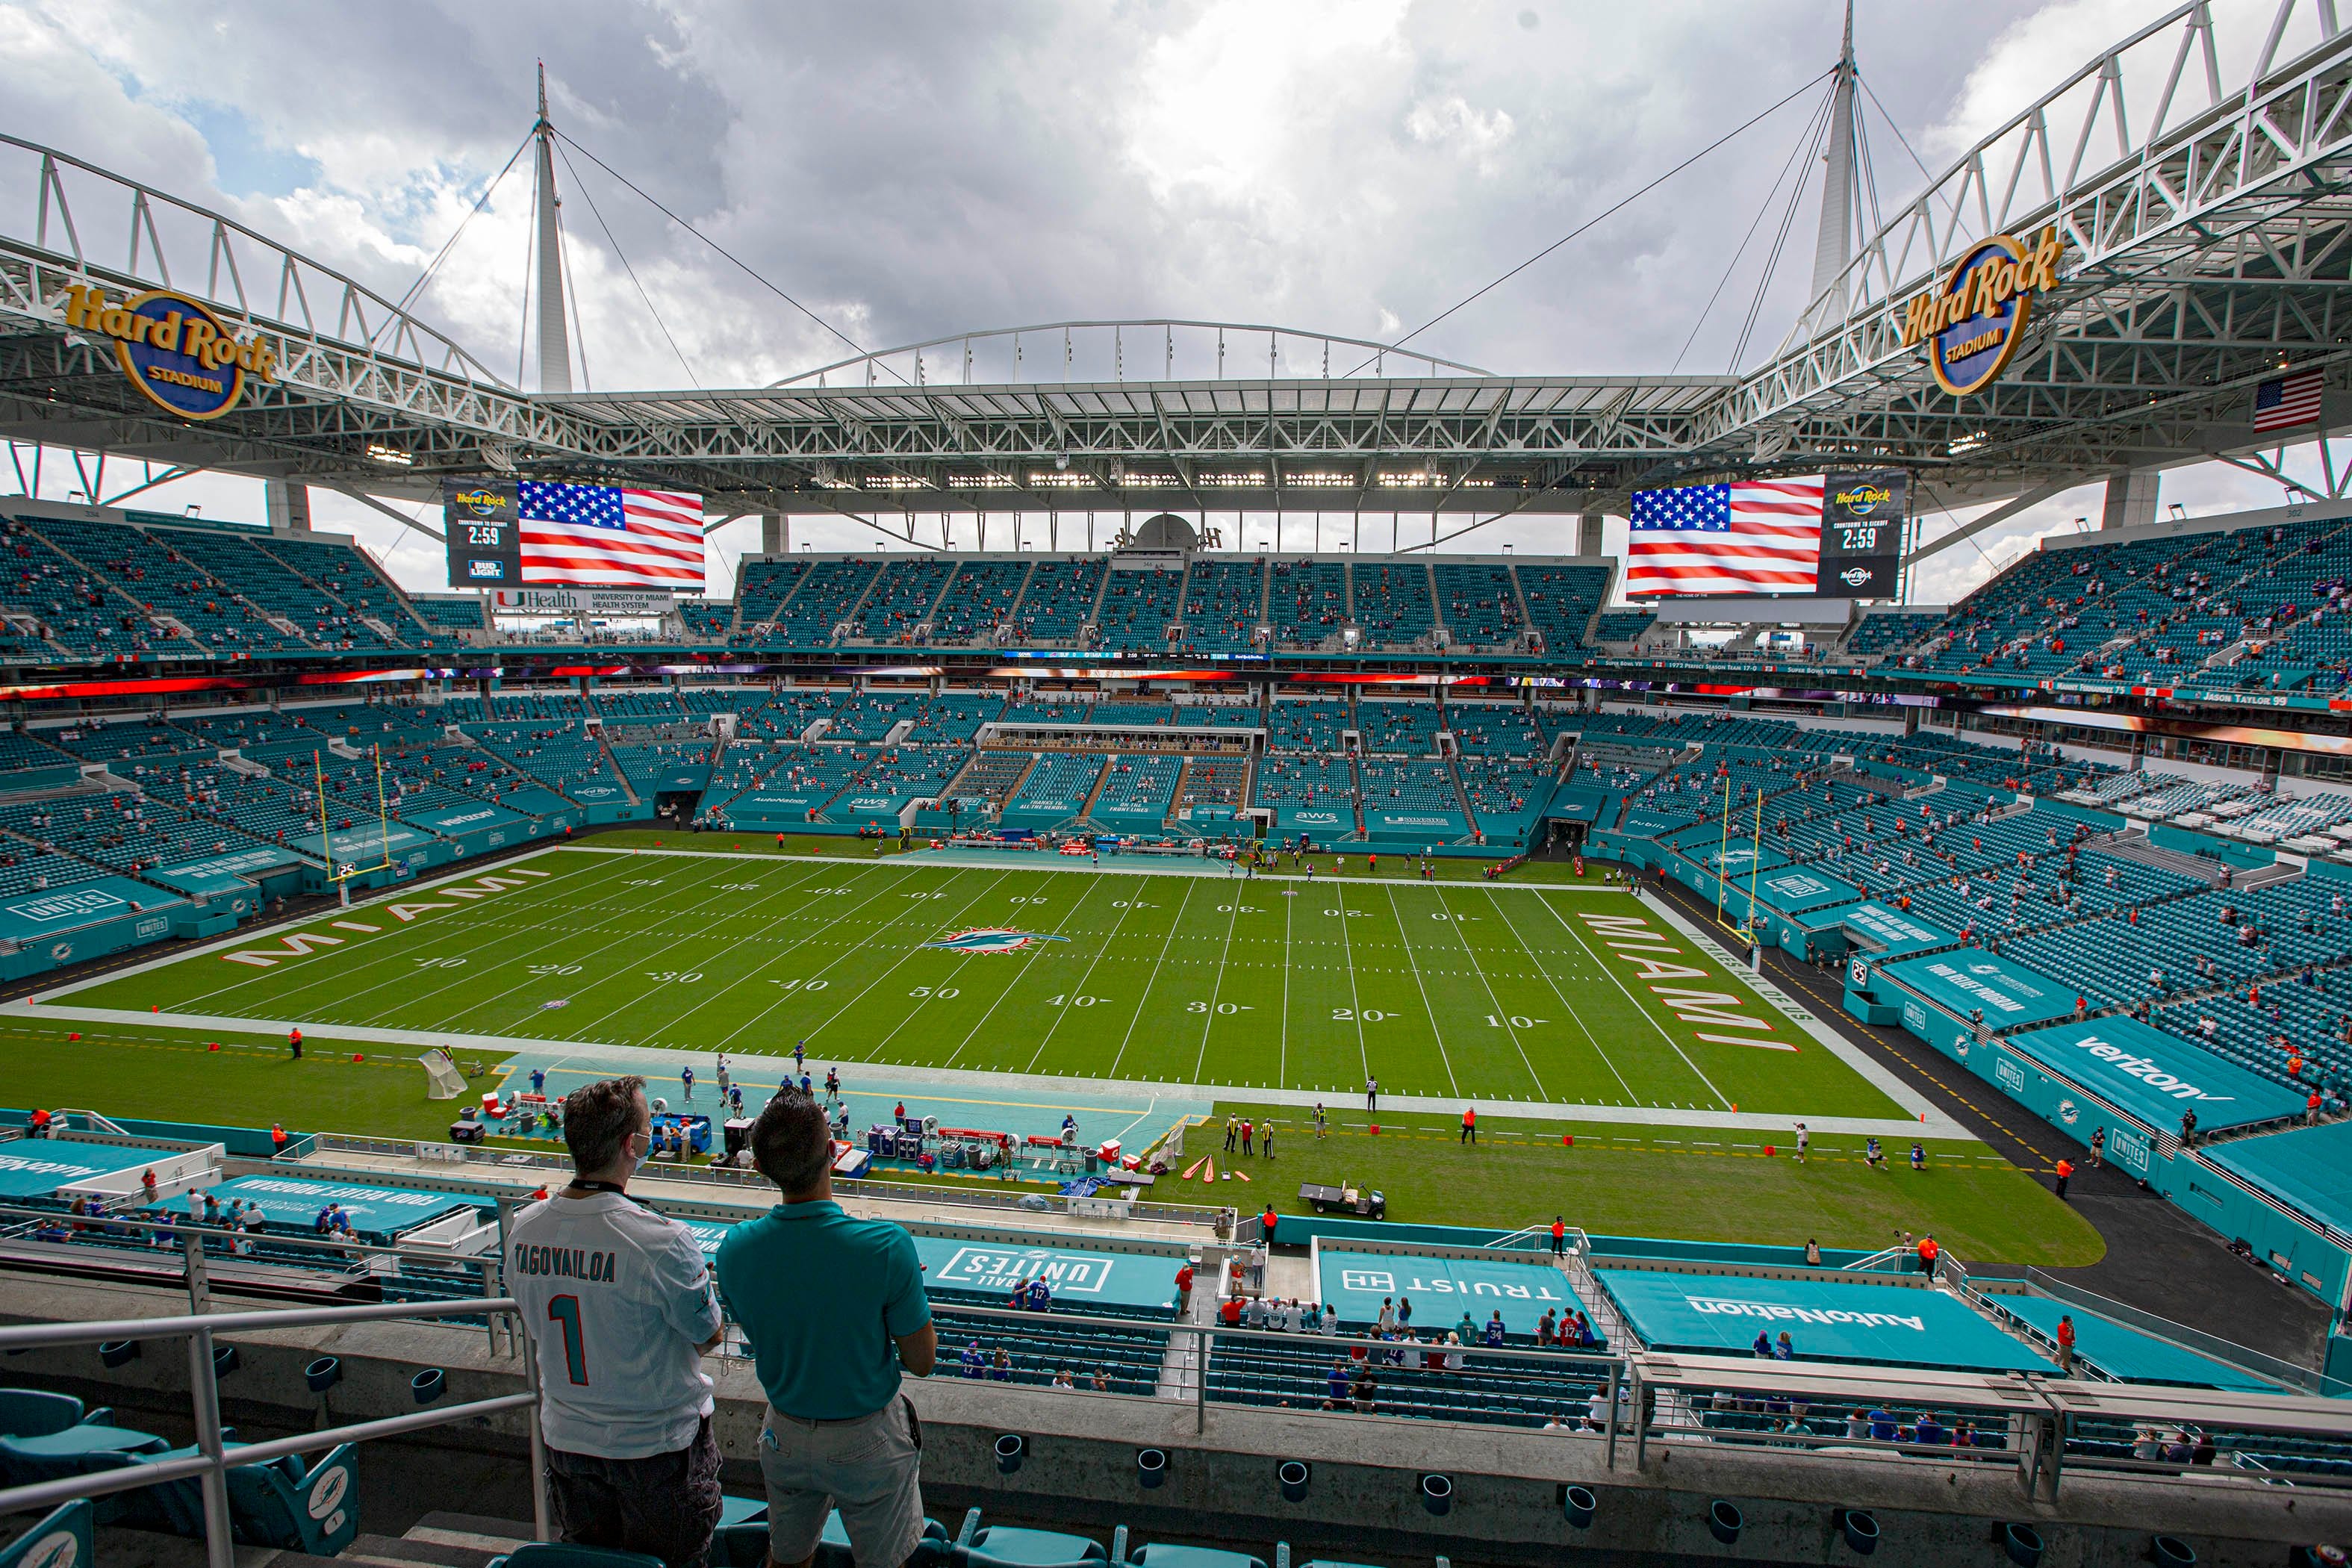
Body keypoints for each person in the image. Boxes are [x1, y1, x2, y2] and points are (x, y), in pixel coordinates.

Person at [508, 1075, 725, 1568]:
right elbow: (709, 1334)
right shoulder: (660, 1240)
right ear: (633, 1144)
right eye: (648, 1126)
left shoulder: (523, 1230)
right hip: (659, 1450)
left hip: (566, 1441)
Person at [715, 1091, 936, 1568]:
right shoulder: (886, 1248)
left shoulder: (734, 1251)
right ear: (834, 1153)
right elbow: (922, 1361)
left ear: (760, 1169)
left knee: (787, 1560)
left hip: (785, 1434)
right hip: (868, 1439)